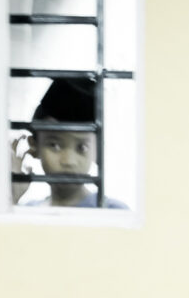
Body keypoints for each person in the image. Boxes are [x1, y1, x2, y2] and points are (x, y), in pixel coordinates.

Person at [13, 77, 129, 210]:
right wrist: (13, 199)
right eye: (54, 145)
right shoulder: (27, 211)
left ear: (96, 150)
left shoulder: (113, 212)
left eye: (82, 147)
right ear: (34, 146)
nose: (68, 161)